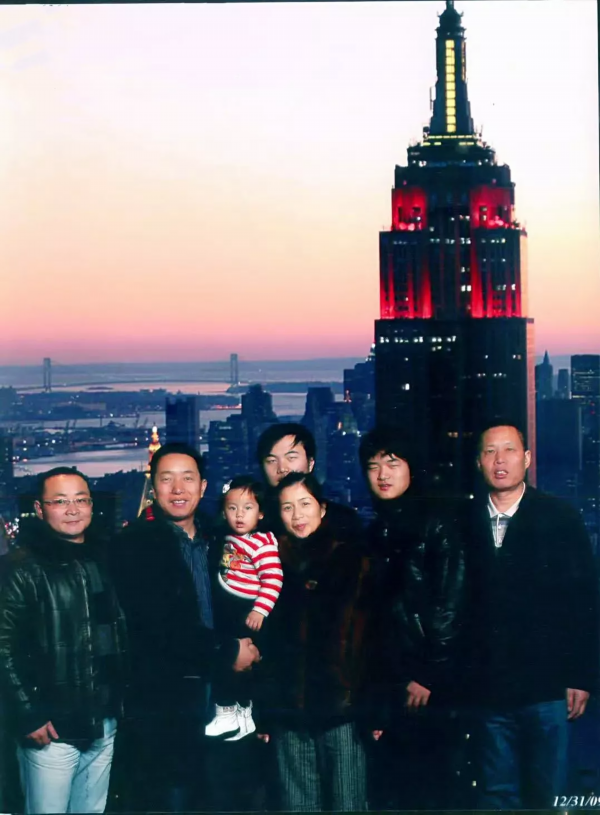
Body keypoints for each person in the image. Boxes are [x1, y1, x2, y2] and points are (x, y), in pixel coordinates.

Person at [109, 443, 260, 812]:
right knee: (170, 797)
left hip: (222, 691)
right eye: (167, 479)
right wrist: (229, 651)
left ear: (203, 486)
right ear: (153, 486)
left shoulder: (220, 539)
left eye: (187, 478)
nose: (178, 489)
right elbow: (156, 627)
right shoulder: (133, 545)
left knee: (225, 796)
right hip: (165, 698)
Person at [468, 422, 600, 809]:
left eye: (509, 450)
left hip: (548, 687)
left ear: (526, 459)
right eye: (490, 451)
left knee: (551, 795)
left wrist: (581, 676)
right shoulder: (463, 520)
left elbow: (585, 602)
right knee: (495, 795)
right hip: (487, 689)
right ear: (478, 462)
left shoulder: (559, 517)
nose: (500, 460)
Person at [0, 467, 127, 814]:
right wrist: (29, 715)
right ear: (40, 509)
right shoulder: (20, 568)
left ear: (91, 506)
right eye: (59, 502)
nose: (72, 510)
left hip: (103, 721)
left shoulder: (103, 558)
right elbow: (3, 647)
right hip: (51, 728)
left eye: (80, 500)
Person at [359, 427, 466, 810]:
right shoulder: (374, 531)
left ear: (411, 468)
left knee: (429, 786)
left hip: (427, 683)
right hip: (389, 681)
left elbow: (451, 605)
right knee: (391, 788)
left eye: (392, 463)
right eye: (373, 466)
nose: (382, 474)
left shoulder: (437, 524)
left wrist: (427, 674)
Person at [257, 472, 369, 812]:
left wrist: (372, 706)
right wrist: (266, 711)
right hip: (288, 708)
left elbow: (369, 638)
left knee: (348, 801)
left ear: (322, 508)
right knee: (297, 805)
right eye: (287, 507)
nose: (297, 515)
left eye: (305, 504)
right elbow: (266, 646)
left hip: (342, 707)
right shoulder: (270, 563)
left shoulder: (351, 560)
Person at [206, 475, 283, 741]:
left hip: (246, 609)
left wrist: (260, 610)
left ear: (261, 513)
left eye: (248, 508)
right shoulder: (227, 537)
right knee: (231, 663)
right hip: (229, 604)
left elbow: (273, 579)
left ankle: (227, 714)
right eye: (232, 508)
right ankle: (244, 717)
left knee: (233, 664)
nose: (239, 515)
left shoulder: (262, 543)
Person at [256, 422, 359, 538]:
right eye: (272, 461)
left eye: (291, 458)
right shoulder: (252, 520)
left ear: (310, 463)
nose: (282, 468)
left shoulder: (342, 520)